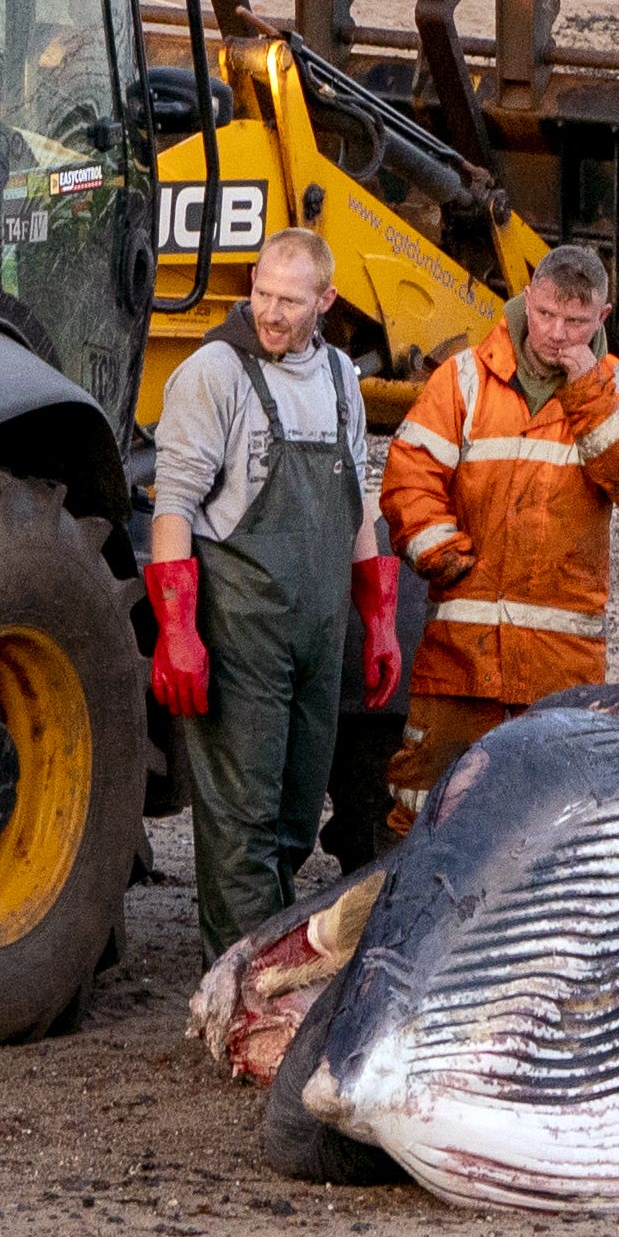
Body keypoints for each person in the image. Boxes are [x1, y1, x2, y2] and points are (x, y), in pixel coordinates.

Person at [147, 226, 406, 958]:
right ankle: (242, 988)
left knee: (295, 814)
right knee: (244, 823)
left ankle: (262, 962)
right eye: (262, 292)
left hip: (318, 633)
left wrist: (378, 619)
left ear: (325, 299)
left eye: (289, 300)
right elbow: (174, 506)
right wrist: (178, 631)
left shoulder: (341, 382)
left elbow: (354, 499)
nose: (270, 311)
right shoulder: (213, 375)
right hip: (242, 633)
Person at [376, 241, 619, 839]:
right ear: (526, 299)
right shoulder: (465, 378)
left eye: (575, 322)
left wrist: (588, 393)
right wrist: (439, 551)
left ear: (603, 316)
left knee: (547, 829)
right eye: (545, 314)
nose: (556, 334)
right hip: (458, 660)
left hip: (558, 669)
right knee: (421, 813)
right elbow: (409, 472)